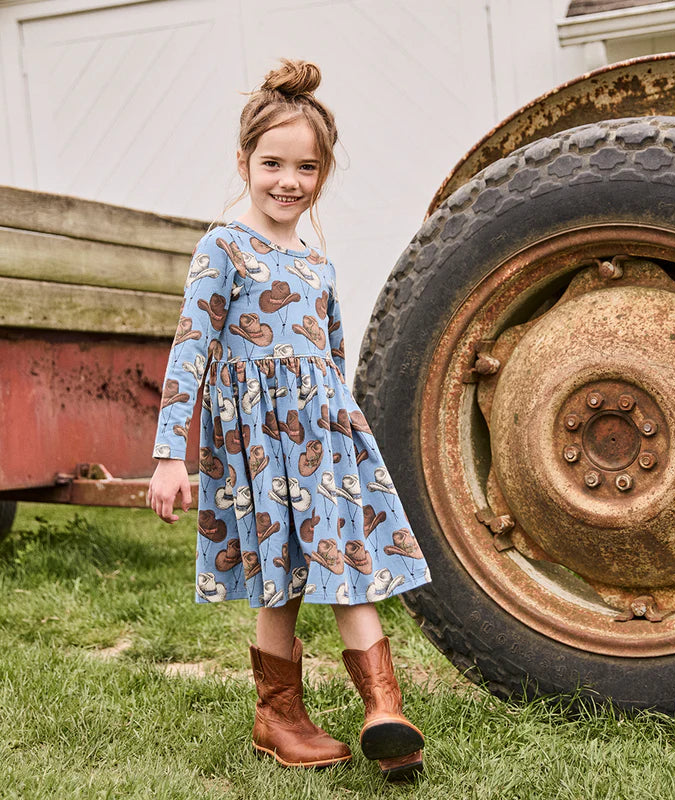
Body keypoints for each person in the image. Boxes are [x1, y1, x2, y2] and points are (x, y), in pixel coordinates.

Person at [147, 58, 432, 780]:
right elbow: (191, 350)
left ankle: (384, 712)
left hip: (324, 445)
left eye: (306, 168)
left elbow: (330, 360)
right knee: (284, 579)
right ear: (243, 161)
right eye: (272, 163)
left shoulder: (317, 265)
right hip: (257, 448)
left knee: (352, 568)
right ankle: (278, 717)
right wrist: (170, 453)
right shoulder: (224, 248)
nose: (288, 181)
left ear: (322, 175)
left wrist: (346, 438)